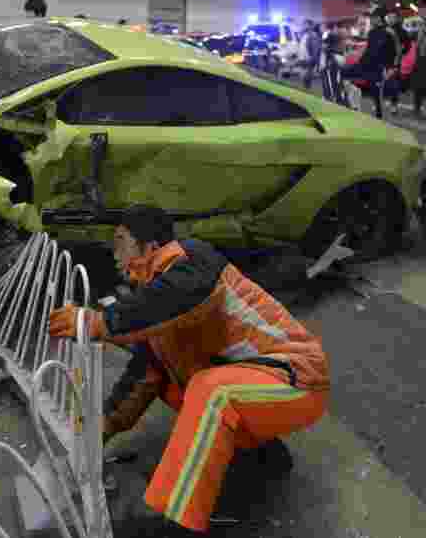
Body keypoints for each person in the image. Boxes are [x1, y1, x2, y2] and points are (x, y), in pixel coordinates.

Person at [48, 206, 328, 535]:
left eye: (121, 242)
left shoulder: (194, 261)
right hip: (259, 383)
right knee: (174, 381)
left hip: (299, 378)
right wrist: (102, 428)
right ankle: (260, 454)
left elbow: (172, 297)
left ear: (150, 246)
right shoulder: (160, 305)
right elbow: (146, 373)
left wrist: (95, 321)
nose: (115, 254)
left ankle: (175, 520)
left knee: (211, 392)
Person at [340, 7, 397, 119]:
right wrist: (358, 63)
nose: (370, 20)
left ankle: (379, 118)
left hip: (378, 69)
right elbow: (368, 51)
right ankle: (350, 104)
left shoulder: (389, 33)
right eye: (370, 17)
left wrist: (390, 68)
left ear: (379, 18)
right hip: (364, 65)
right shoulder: (371, 32)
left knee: (376, 95)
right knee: (342, 73)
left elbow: (393, 53)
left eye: (373, 18)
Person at [301, 21, 321, 89]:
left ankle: (307, 89)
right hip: (304, 58)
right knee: (304, 76)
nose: (303, 26)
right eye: (304, 25)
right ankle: (306, 89)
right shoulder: (304, 35)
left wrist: (312, 58)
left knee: (307, 76)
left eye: (305, 25)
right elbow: (303, 46)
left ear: (310, 26)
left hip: (309, 59)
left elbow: (315, 48)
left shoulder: (313, 35)